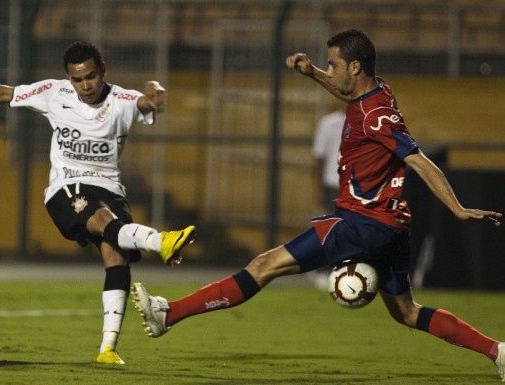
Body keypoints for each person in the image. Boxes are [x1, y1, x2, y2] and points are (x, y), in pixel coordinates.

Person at [131, 29, 505, 380]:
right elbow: (346, 92)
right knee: (407, 312)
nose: (330, 71)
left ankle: (169, 313)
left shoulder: (376, 117)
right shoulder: (375, 93)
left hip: (362, 222)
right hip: (389, 226)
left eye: (334, 65)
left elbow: (419, 159)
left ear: (354, 67)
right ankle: (498, 351)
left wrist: (457, 209)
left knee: (264, 265)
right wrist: (312, 73)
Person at [0, 40, 196, 365]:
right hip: (66, 187)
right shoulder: (54, 93)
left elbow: (145, 102)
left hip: (110, 189)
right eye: (78, 79)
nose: (85, 86)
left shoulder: (121, 100)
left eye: (91, 77)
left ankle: (107, 348)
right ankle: (160, 240)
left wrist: (154, 91)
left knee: (116, 258)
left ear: (103, 70)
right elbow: (5, 93)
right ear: (69, 78)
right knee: (104, 221)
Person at [312, 107, 344, 213]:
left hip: (354, 185)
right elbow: (319, 157)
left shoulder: (366, 121)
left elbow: (319, 157)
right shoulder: (328, 123)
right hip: (337, 184)